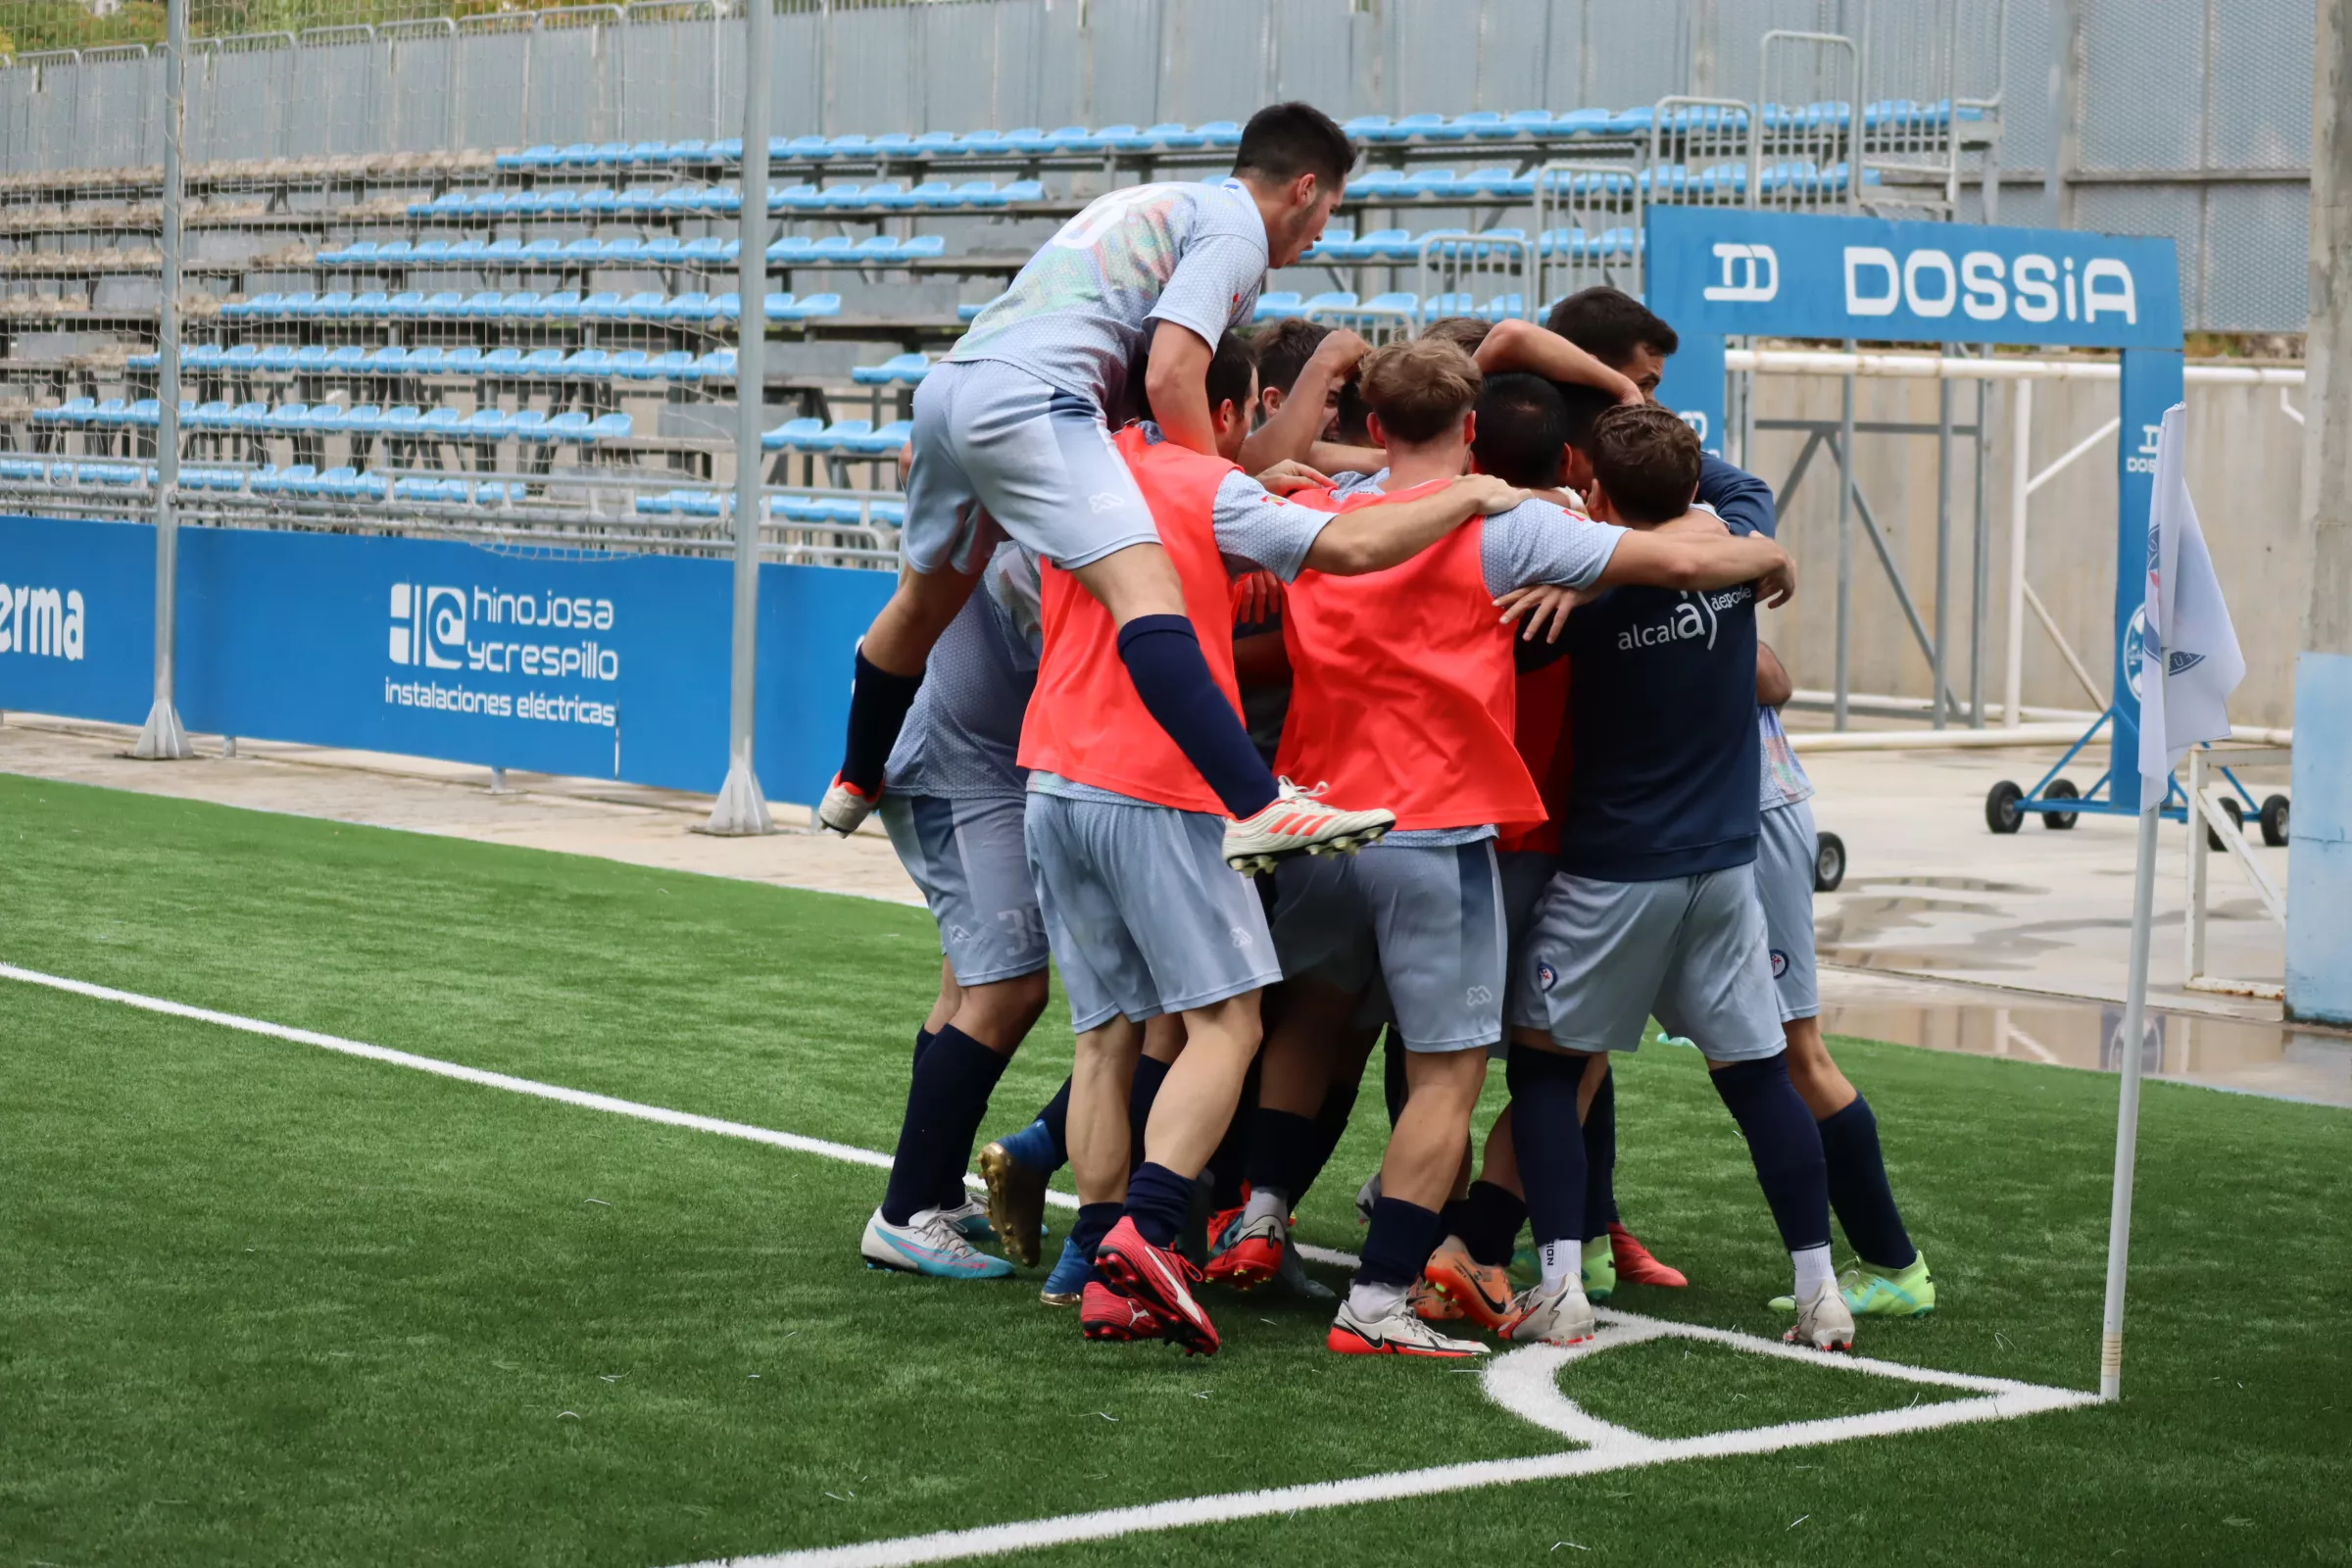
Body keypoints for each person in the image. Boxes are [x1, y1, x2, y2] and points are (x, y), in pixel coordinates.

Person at [1216, 340, 1792, 1358]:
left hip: (1316, 821)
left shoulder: (1307, 516)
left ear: (1377, 427)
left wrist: (1316, 463)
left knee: (1309, 1020)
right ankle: (1382, 1295)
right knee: (1448, 1076)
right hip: (1435, 828)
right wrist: (1769, 557)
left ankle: (1260, 1212)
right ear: (1472, 428)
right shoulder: (1516, 527)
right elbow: (1687, 558)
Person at [1023, 331, 1534, 1354]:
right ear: (1220, 412)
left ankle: (1092, 1256)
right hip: (1159, 783)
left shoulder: (1066, 474)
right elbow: (1352, 546)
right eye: (1252, 411)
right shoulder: (1209, 488)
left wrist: (1318, 464)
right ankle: (1152, 1233)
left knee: (1108, 1038)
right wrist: (1479, 497)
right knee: (1228, 1027)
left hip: (1052, 772)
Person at [1504, 287, 1934, 1323]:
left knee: (1547, 1070)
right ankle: (1820, 1287)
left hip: (1616, 866)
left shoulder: (1574, 589)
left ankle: (1560, 1279)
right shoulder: (1735, 550)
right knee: (1756, 1078)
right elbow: (1723, 545)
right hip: (1726, 865)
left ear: (1591, 488)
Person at [821, 102, 1395, 875]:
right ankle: (1259, 807)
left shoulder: (1148, 202)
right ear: (1302, 189)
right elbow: (1171, 373)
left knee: (922, 604)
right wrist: (1221, 504)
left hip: (953, 387)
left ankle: (855, 776)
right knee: (1149, 586)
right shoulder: (1234, 232)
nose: (1325, 230)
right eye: (1331, 208)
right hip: (1035, 398)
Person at [859, 542, 1053, 1279]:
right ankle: (905, 1213)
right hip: (959, 769)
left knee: (969, 991)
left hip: (971, 764)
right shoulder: (1041, 482)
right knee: (1009, 991)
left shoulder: (1043, 468)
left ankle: (933, 1192)